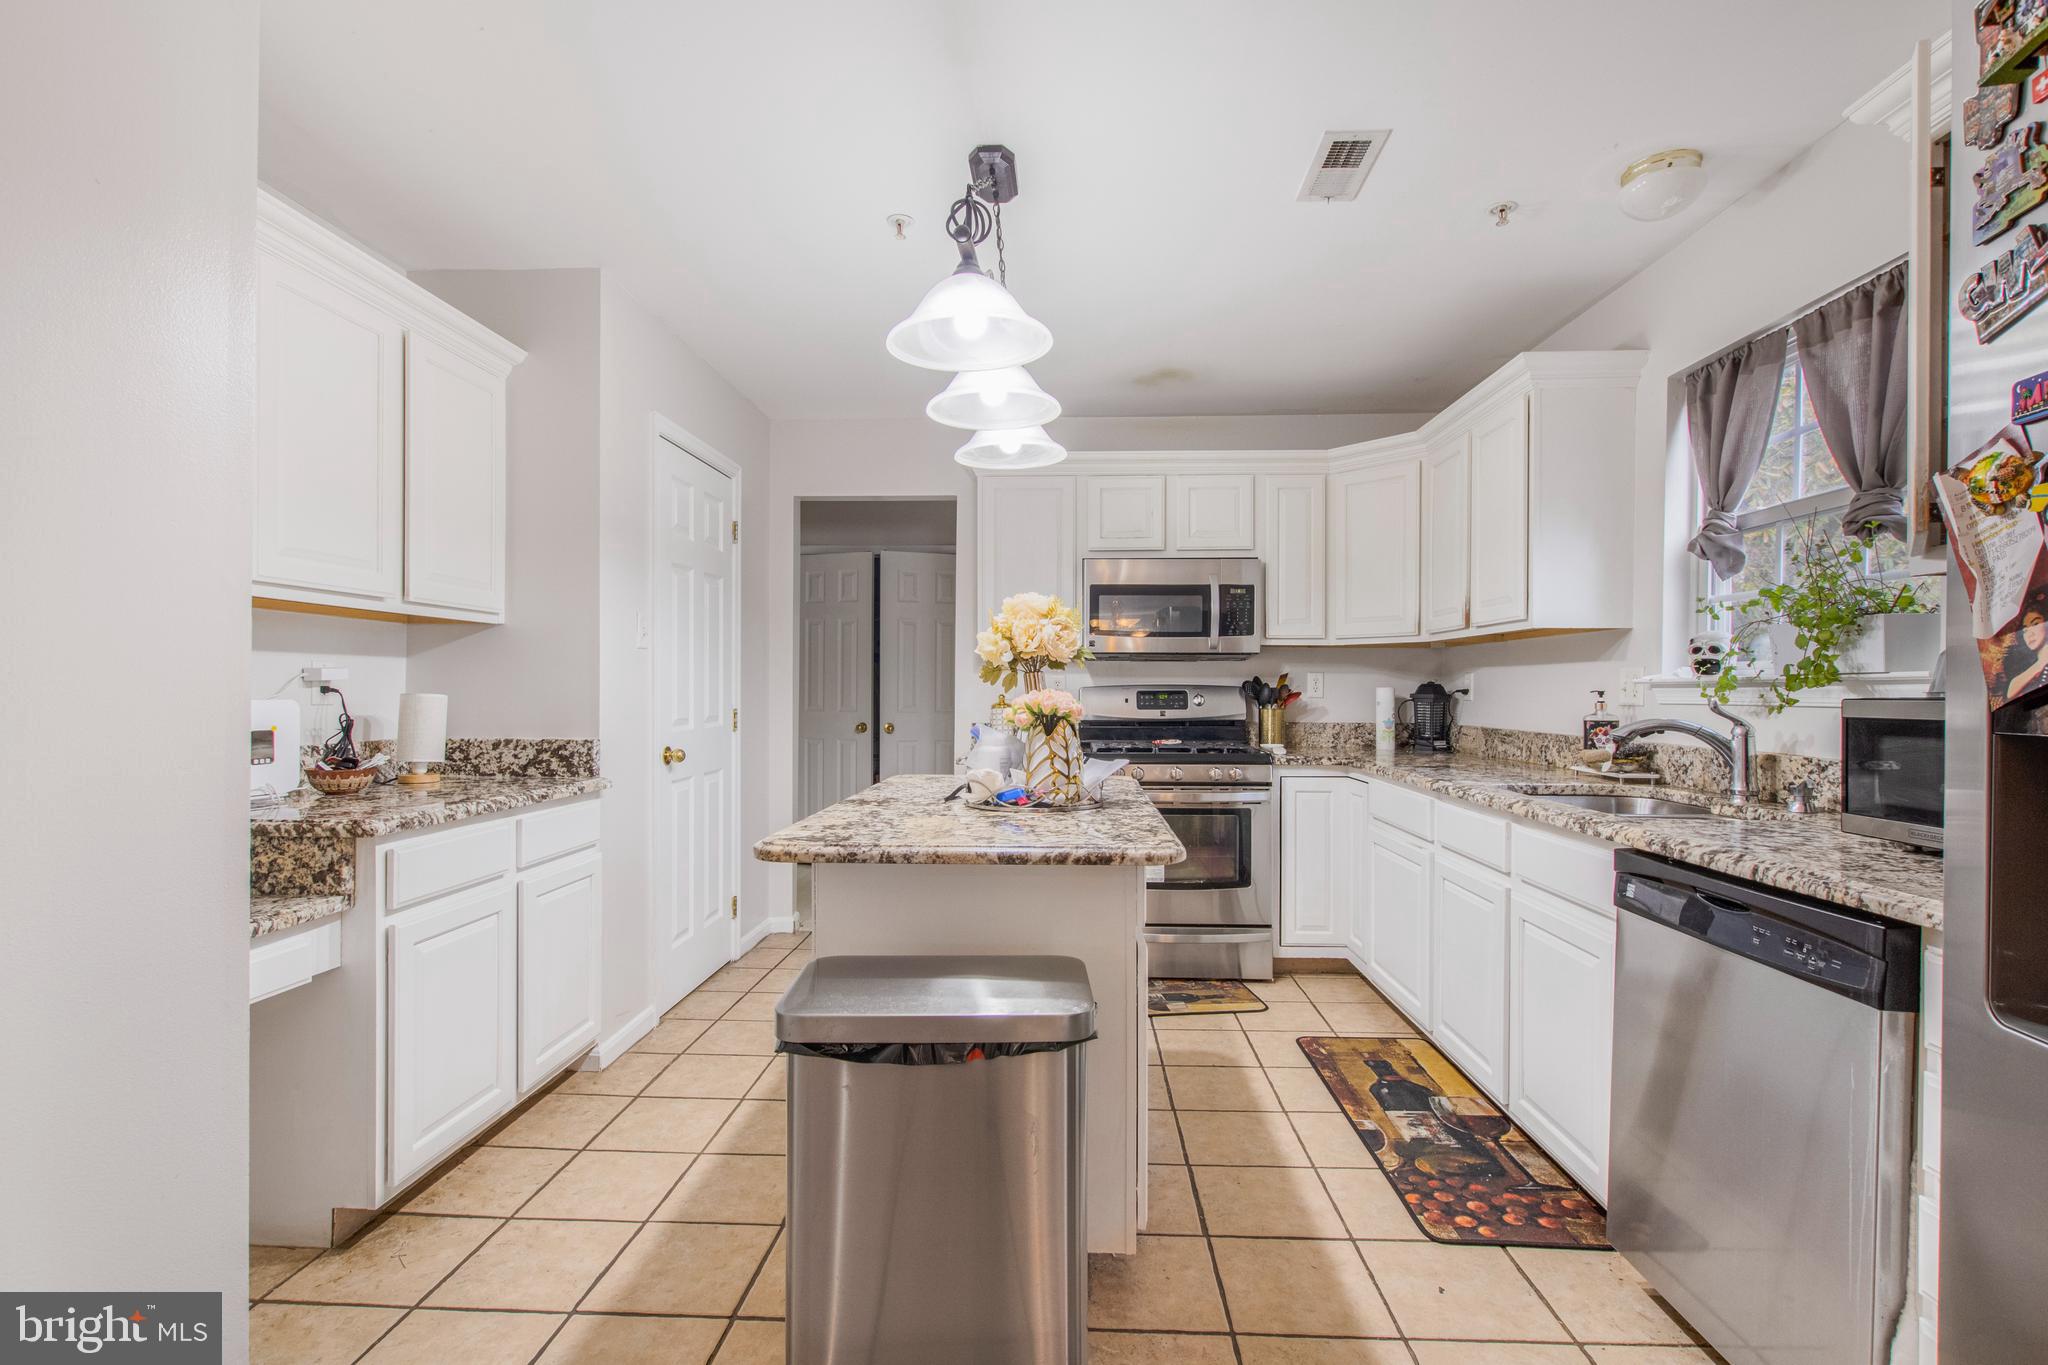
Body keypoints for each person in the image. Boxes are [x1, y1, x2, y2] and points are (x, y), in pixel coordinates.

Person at [2001, 599, 2048, 704]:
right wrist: (2040, 663)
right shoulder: (2027, 664)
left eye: (2035, 624)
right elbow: (2009, 693)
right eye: (2025, 630)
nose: (2030, 634)